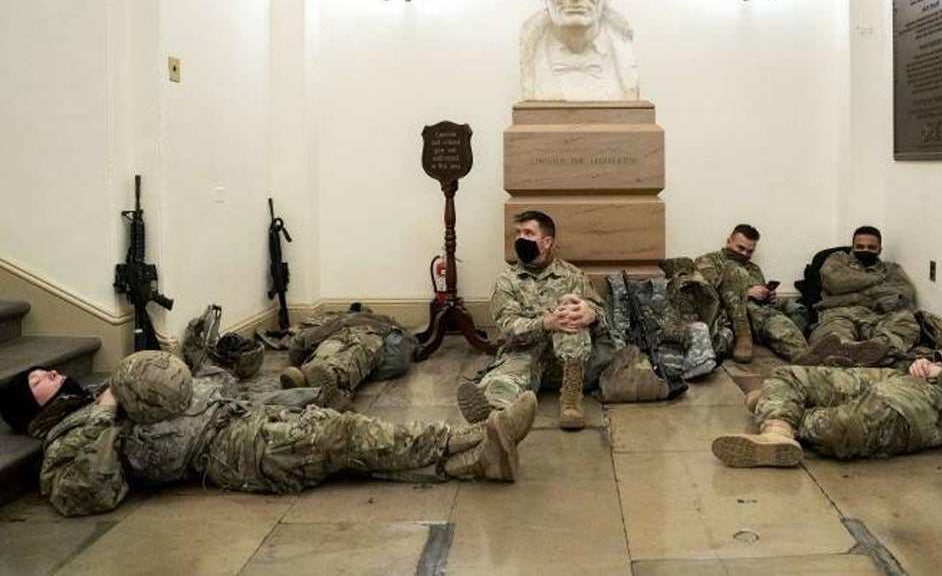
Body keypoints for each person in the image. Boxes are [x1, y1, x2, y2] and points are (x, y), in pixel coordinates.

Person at [0, 353, 537, 518]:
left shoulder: (94, 394)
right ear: (33, 408)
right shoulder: (68, 433)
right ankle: (470, 441)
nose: (49, 374)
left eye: (45, 371)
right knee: (344, 436)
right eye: (37, 381)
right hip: (230, 451)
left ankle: (477, 451)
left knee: (351, 443)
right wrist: (105, 413)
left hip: (237, 418)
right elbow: (85, 493)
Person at [711, 357, 942, 468]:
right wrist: (929, 363)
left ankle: (779, 409)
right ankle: (777, 429)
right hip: (906, 376)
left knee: (843, 429)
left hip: (935, 408)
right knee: (790, 374)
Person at [457, 210, 612, 430]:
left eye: (528, 233)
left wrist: (592, 315)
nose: (520, 239)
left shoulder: (573, 276)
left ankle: (571, 402)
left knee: (571, 317)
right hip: (524, 355)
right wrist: (546, 323)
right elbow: (509, 327)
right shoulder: (506, 282)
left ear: (546, 242)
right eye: (518, 233)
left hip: (569, 364)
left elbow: (604, 318)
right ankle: (493, 418)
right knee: (500, 384)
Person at [695, 224, 811, 364]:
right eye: (740, 248)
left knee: (796, 309)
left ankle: (807, 350)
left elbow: (762, 297)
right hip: (730, 312)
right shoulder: (708, 261)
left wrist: (768, 295)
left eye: (749, 251)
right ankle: (803, 354)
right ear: (728, 241)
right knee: (772, 319)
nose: (744, 254)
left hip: (758, 311)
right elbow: (707, 292)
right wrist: (747, 292)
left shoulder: (754, 269)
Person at [805, 225, 919, 364]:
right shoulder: (838, 259)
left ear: (879, 250)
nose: (865, 250)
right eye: (860, 246)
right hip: (839, 313)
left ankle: (874, 349)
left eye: (871, 248)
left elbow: (904, 294)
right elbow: (835, 283)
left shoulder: (890, 269)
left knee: (907, 322)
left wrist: (854, 292)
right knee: (832, 338)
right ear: (852, 247)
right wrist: (877, 282)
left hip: (876, 316)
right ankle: (857, 354)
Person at [277, 305, 418, 410]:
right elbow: (407, 340)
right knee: (348, 352)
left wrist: (299, 349)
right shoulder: (378, 320)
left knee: (340, 349)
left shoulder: (373, 319)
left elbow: (301, 341)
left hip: (349, 334)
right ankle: (326, 385)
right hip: (356, 334)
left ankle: (314, 383)